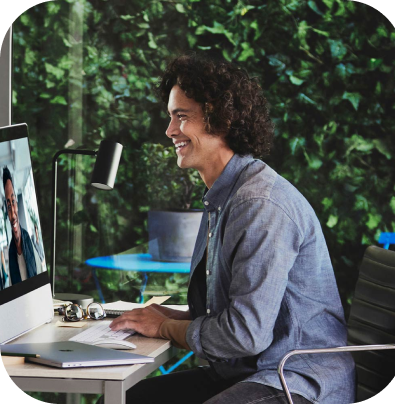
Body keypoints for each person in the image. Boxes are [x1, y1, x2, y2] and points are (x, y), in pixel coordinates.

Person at [108, 54, 356, 403]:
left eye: (181, 116)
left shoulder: (259, 204)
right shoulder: (224, 195)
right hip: (249, 372)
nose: (170, 130)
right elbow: (230, 314)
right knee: (127, 399)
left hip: (294, 381)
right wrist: (161, 315)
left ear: (219, 119)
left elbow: (245, 334)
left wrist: (164, 327)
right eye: (170, 116)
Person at [3, 166, 41, 286]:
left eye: (13, 202)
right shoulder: (10, 252)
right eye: (9, 206)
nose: (13, 213)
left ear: (17, 204)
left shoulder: (30, 245)